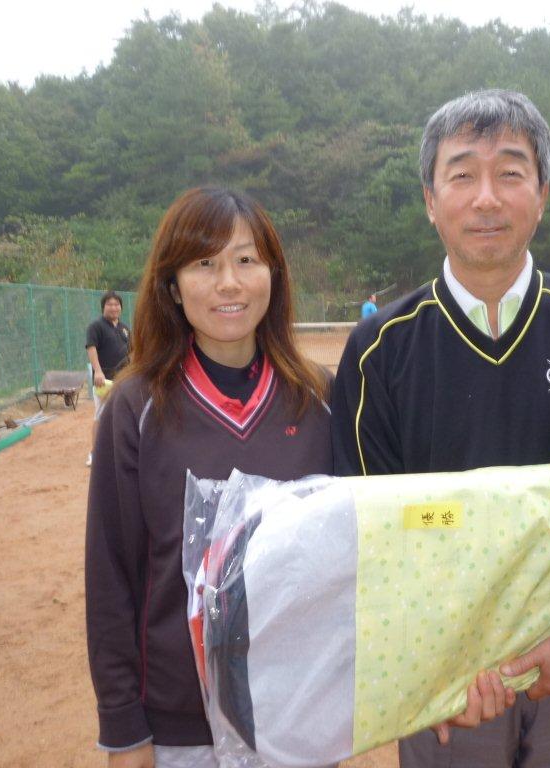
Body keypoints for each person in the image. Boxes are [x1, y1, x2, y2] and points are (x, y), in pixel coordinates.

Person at [332, 90, 550, 767]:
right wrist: (430, 673)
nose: (486, 198)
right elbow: (362, 527)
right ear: (430, 200)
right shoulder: (379, 350)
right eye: (463, 174)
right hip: (446, 690)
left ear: (543, 194)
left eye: (510, 173)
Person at [85, 187, 333, 768]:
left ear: (273, 275)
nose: (229, 283)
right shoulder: (135, 408)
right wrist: (123, 729)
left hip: (299, 716)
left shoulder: (321, 398)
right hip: (181, 731)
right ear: (172, 285)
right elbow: (111, 574)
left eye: (246, 260)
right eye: (204, 263)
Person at [85, 291, 131, 467]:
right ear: (103, 307)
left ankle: (119, 451)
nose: (114, 307)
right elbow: (91, 348)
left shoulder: (124, 329)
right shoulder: (96, 326)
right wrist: (97, 371)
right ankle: (95, 453)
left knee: (123, 414)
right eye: (110, 304)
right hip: (104, 381)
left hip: (123, 379)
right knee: (101, 414)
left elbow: (132, 352)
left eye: (117, 304)